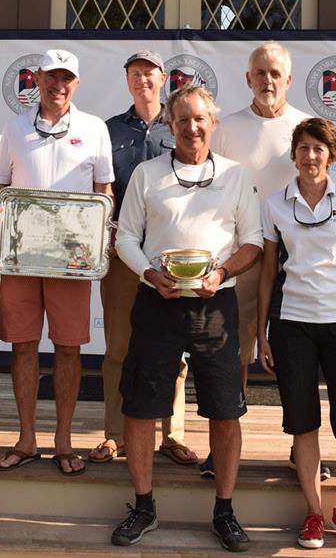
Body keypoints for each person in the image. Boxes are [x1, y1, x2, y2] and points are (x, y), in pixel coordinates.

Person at [111, 85, 262, 552]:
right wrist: (151, 273)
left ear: (212, 123)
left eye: (200, 119)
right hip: (157, 300)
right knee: (140, 406)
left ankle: (225, 510)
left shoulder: (236, 176)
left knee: (224, 408)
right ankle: (143, 506)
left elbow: (252, 242)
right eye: (182, 120)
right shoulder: (146, 173)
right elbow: (125, 239)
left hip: (215, 305)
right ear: (170, 125)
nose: (192, 128)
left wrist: (221, 271)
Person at [0, 49, 114, 476]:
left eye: (66, 79)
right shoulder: (13, 127)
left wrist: (97, 238)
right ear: (37, 79)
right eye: (51, 77)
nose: (57, 85)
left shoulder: (95, 129)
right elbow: (0, 188)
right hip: (21, 258)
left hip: (72, 261)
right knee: (23, 346)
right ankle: (27, 439)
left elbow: (105, 194)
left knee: (68, 348)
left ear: (76, 84)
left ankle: (63, 441)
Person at [209, 40, 327, 481]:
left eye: (275, 73)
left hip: (298, 260)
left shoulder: (306, 129)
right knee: (233, 353)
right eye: (260, 73)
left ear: (289, 80)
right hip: (241, 256)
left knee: (300, 354)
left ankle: (303, 451)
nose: (267, 80)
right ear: (247, 79)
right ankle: (224, 446)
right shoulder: (225, 128)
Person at [257, 118, 336, 551]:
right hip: (292, 326)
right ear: (294, 153)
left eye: (319, 149)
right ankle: (314, 513)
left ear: (332, 155)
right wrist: (261, 334)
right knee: (303, 425)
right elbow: (269, 271)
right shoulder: (274, 203)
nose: (310, 156)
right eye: (304, 148)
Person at [90, 50, 195, 466]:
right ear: (127, 79)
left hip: (171, 253)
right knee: (118, 347)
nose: (143, 81)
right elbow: (102, 190)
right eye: (135, 74)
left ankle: (173, 435)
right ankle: (114, 434)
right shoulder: (108, 130)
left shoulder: (179, 126)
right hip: (121, 253)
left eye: (150, 74)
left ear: (163, 78)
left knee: (174, 348)